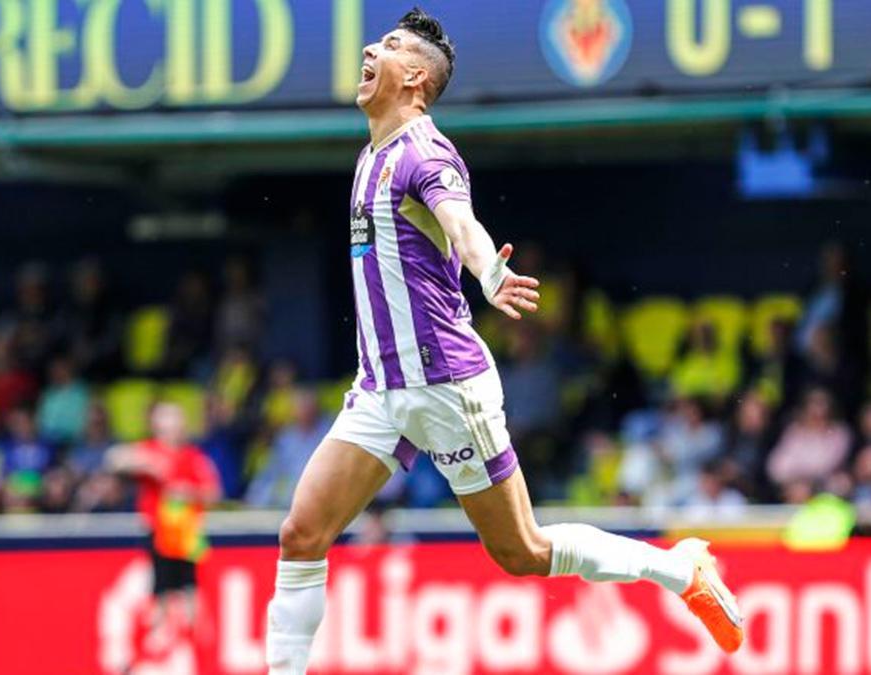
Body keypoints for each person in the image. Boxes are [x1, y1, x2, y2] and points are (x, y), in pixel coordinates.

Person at [262, 10, 743, 674]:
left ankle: (676, 566)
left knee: (520, 550)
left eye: (394, 47)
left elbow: (462, 222)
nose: (372, 48)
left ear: (417, 81)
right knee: (302, 532)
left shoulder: (424, 153)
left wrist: (488, 271)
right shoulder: (371, 152)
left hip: (446, 386)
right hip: (380, 388)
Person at [106, 403, 221, 645]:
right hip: (157, 533)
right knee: (160, 589)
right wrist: (147, 464)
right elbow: (114, 459)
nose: (171, 426)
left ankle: (195, 643)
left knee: (191, 588)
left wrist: (188, 493)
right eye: (166, 419)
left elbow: (213, 492)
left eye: (175, 419)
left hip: (186, 534)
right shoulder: (149, 450)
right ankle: (158, 639)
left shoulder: (193, 456)